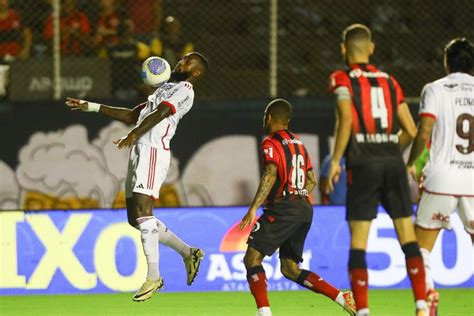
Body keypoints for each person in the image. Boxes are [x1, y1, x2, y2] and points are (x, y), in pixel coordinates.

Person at [65, 51, 209, 302]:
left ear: (195, 72)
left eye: (187, 61)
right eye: (183, 58)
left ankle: (154, 276)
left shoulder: (185, 89)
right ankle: (189, 253)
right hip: (140, 151)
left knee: (144, 215)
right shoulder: (166, 88)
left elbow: (162, 114)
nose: (180, 62)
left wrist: (134, 134)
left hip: (152, 151)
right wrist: (91, 106)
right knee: (136, 218)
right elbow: (133, 115)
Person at [325, 24, 428, 316]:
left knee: (359, 242)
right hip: (393, 163)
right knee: (407, 237)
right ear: (371, 48)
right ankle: (421, 304)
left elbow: (346, 119)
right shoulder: (390, 81)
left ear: (343, 49)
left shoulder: (342, 79)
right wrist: (392, 148)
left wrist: (335, 161)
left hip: (363, 164)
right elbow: (411, 129)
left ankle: (364, 311)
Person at [239, 99, 356, 316]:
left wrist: (254, 207)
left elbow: (270, 173)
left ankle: (264, 313)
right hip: (303, 209)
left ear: (269, 117)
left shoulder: (270, 142)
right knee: (289, 269)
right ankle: (342, 297)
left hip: (284, 208)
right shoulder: (298, 143)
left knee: (252, 258)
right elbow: (310, 179)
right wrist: (297, 191)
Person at [406, 37, 474, 316]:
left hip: (441, 179)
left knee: (421, 249)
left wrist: (412, 162)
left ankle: (427, 297)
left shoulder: (434, 89)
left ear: (446, 62)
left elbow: (424, 131)